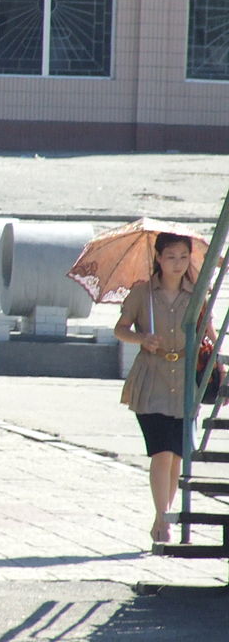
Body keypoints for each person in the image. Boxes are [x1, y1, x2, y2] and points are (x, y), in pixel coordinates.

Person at [114, 233, 212, 544]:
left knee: (176, 456)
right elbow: (121, 329)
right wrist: (142, 339)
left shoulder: (196, 293)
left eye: (184, 257)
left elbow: (207, 331)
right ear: (158, 258)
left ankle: (164, 514)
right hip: (152, 377)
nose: (178, 264)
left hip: (183, 378)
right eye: (171, 257)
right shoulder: (143, 293)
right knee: (161, 452)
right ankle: (163, 518)